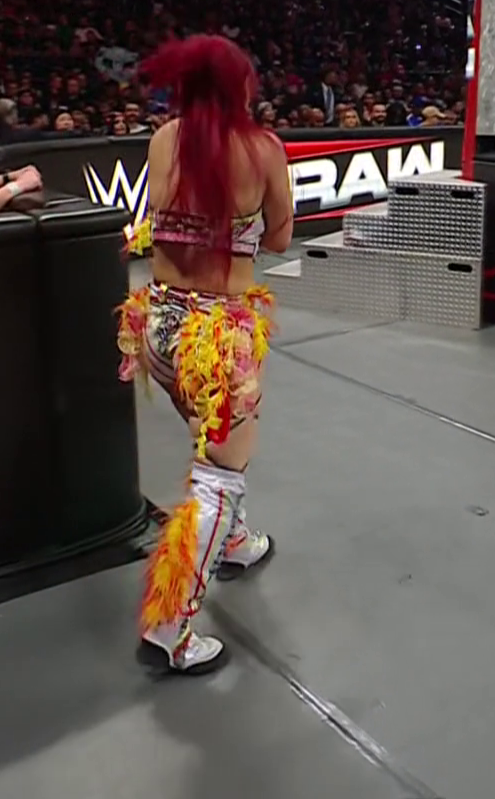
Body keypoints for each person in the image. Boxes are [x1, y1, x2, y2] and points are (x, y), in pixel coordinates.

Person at [117, 34, 294, 676]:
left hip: (159, 324)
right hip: (217, 337)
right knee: (219, 472)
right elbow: (281, 238)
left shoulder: (165, 139)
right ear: (240, 87)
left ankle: (235, 541)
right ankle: (170, 627)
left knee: (214, 441)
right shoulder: (263, 149)